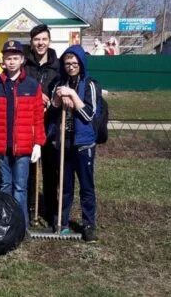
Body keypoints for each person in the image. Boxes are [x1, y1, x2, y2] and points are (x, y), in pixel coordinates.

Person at [0, 40, 46, 228]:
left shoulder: (32, 85)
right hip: (2, 146)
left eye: (15, 58)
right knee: (5, 186)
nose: (11, 62)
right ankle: (5, 224)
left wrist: (37, 143)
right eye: (8, 58)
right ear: (3, 61)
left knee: (20, 187)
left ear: (22, 60)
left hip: (24, 147)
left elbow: (37, 117)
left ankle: (21, 225)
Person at [50, 44, 101, 243]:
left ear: (81, 63)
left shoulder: (89, 85)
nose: (71, 66)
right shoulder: (60, 83)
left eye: (74, 63)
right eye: (67, 63)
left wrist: (72, 95)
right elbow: (52, 110)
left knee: (86, 186)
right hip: (64, 142)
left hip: (83, 143)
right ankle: (61, 222)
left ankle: (88, 225)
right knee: (65, 185)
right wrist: (58, 97)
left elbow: (89, 114)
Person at [23, 24, 60, 226]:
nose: (40, 43)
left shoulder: (57, 65)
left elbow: (63, 85)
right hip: (28, 123)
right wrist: (37, 94)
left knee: (50, 168)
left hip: (51, 123)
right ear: (32, 42)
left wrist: (53, 97)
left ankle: (51, 210)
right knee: (29, 168)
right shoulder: (25, 64)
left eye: (44, 39)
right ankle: (29, 208)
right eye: (36, 39)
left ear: (49, 40)